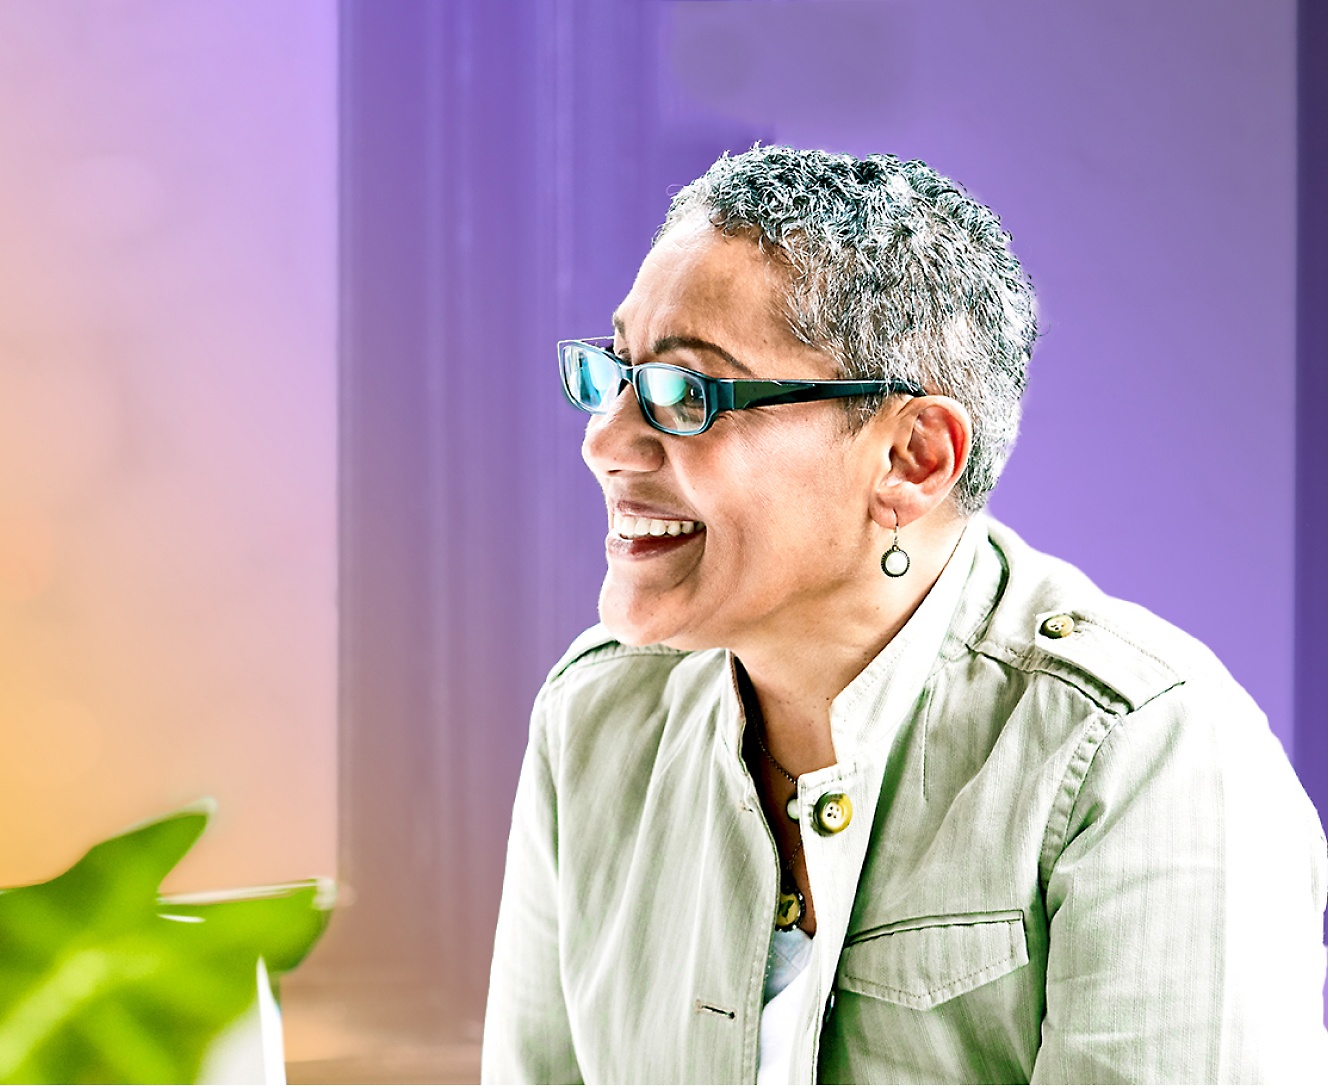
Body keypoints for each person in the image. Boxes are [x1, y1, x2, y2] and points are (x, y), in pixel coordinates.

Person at [482, 145, 1328, 1084]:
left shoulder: (1145, 759)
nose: (605, 440)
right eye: (614, 373)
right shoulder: (595, 716)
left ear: (912, 459)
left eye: (685, 393)